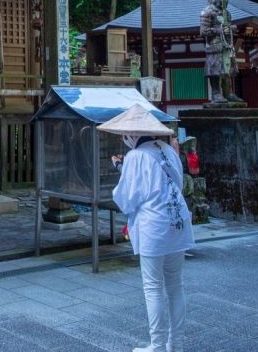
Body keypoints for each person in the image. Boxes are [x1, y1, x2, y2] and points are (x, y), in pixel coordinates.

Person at [98, 104, 195, 352]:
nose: (123, 139)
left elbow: (127, 198)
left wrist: (121, 171)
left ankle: (158, 345)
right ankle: (177, 344)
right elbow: (177, 183)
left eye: (124, 135)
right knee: (175, 284)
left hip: (155, 225)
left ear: (131, 135)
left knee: (153, 286)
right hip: (178, 219)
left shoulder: (135, 156)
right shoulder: (167, 150)